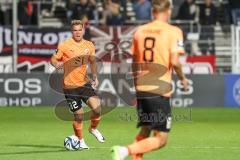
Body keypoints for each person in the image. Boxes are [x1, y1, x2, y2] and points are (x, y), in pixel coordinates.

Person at [111, 0, 189, 159]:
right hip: (159, 90)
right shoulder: (173, 31)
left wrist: (136, 85)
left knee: (146, 130)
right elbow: (174, 61)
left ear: (152, 12)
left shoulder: (139, 31)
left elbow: (134, 62)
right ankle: (124, 151)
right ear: (169, 11)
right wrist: (183, 79)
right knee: (161, 139)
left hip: (142, 88)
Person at [50, 20, 105, 149]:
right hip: (70, 87)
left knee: (97, 109)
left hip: (84, 83)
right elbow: (53, 58)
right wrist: (56, 64)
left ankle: (93, 129)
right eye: (75, 30)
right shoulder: (64, 45)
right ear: (72, 31)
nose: (78, 32)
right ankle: (80, 141)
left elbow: (92, 62)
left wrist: (95, 77)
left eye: (80, 30)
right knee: (79, 115)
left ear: (83, 30)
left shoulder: (89, 45)